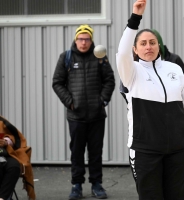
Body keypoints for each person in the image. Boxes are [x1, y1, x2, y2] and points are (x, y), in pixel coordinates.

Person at [116, 0, 184, 199]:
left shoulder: (174, 69)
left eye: (153, 42)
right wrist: (135, 17)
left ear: (159, 46)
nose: (149, 47)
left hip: (178, 148)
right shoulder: (131, 72)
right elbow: (122, 53)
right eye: (143, 43)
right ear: (135, 49)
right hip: (145, 150)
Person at [52, 24, 115, 200]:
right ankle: (76, 185)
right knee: (77, 152)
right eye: (81, 38)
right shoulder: (67, 57)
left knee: (96, 151)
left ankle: (97, 185)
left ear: (91, 40)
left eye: (87, 39)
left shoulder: (100, 57)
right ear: (76, 39)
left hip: (96, 115)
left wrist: (102, 101)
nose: (84, 42)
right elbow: (57, 82)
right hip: (76, 116)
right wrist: (70, 103)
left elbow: (109, 80)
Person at [0, 116, 36, 200]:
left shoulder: (1, 121)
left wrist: (5, 141)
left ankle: (3, 197)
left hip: (3, 153)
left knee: (14, 166)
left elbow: (15, 136)